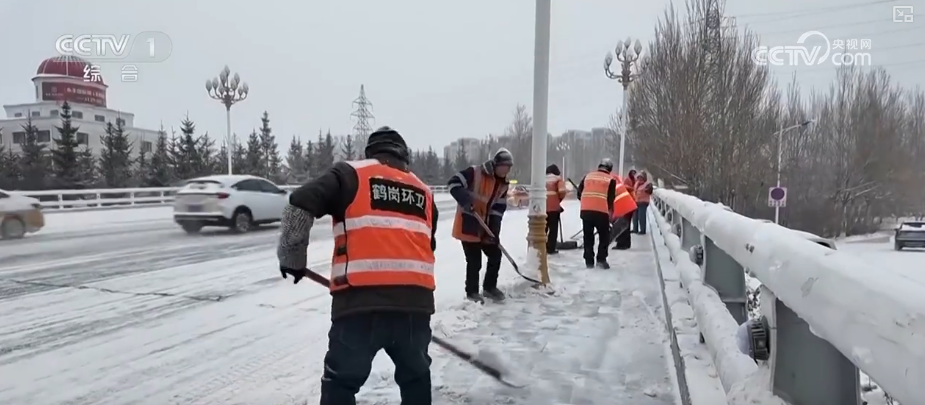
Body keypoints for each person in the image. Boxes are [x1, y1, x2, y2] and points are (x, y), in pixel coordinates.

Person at [277, 126, 439, 405]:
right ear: (404, 157)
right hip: (415, 307)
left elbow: (299, 203)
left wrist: (292, 258)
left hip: (359, 306)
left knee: (340, 384)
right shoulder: (424, 191)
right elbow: (427, 245)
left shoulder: (351, 174)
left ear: (370, 153)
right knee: (416, 380)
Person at [447, 148, 512, 303]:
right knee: (474, 260)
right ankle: (472, 293)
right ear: (496, 165)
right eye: (503, 166)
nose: (506, 171)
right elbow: (453, 183)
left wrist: (494, 231)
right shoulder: (475, 173)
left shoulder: (503, 184)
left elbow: (498, 209)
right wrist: (465, 200)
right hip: (469, 223)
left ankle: (489, 287)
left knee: (495, 255)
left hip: (486, 226)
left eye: (508, 167)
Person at [577, 158, 617, 269]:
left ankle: (589, 261)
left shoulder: (588, 176)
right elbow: (610, 198)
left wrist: (587, 202)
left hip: (586, 211)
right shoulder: (610, 180)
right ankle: (601, 259)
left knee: (588, 236)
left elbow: (579, 193)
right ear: (609, 169)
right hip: (601, 211)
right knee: (604, 236)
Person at [545, 163, 567, 254]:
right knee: (553, 229)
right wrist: (558, 200)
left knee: (543, 228)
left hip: (542, 208)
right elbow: (562, 191)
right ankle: (551, 248)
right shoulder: (558, 179)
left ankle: (541, 246)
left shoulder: (542, 179)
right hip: (553, 208)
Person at [614, 169, 638, 250]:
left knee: (622, 225)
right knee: (626, 226)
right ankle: (627, 243)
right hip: (630, 206)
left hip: (625, 208)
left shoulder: (616, 187)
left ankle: (622, 244)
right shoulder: (621, 186)